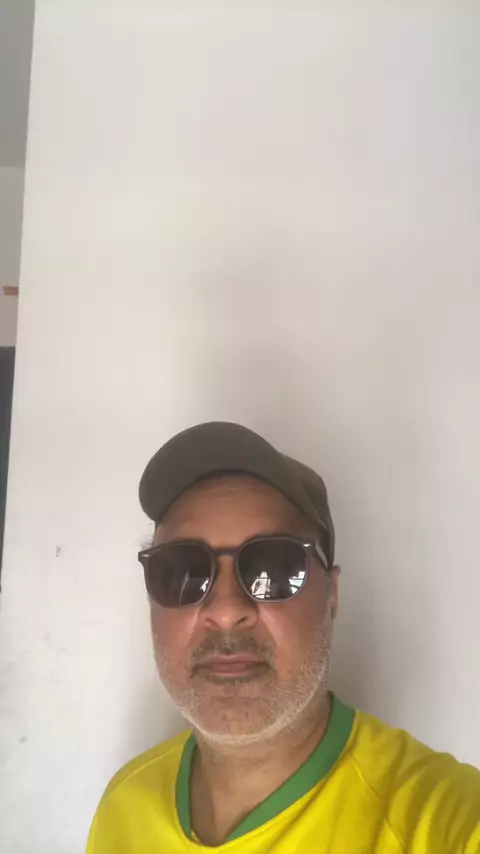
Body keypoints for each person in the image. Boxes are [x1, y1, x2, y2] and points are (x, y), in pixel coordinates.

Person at [87, 421, 480, 853]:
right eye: (181, 571)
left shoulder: (438, 818)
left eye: (273, 568)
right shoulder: (123, 808)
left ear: (332, 595)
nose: (225, 611)